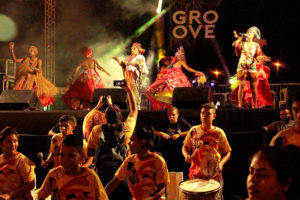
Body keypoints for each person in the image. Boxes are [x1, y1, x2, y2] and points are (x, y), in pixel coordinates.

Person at [87, 81, 137, 200]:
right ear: (120, 117)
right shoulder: (127, 128)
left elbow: (89, 153)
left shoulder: (97, 130)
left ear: (105, 117)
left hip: (102, 175)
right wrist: (128, 90)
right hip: (121, 175)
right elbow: (134, 110)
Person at [182, 103, 231, 199]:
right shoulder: (193, 130)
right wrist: (186, 155)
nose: (204, 116)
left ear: (214, 116)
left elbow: (227, 152)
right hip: (196, 176)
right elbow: (185, 147)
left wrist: (221, 164)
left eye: (208, 114)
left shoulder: (219, 132)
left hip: (214, 176)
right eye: (202, 113)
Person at [105, 126, 169, 200]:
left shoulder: (158, 161)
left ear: (142, 142)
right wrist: (101, 195)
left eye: (132, 140)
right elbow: (115, 182)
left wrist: (151, 198)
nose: (129, 143)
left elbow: (163, 188)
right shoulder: (129, 161)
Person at [37, 134, 108, 200]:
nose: (65, 159)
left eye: (71, 155)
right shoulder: (53, 174)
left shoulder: (91, 176)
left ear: (81, 157)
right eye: (62, 154)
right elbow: (40, 196)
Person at [8, 42, 58, 107]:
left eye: (31, 51)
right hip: (25, 78)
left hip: (35, 79)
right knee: (21, 91)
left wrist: (33, 68)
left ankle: (35, 106)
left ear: (35, 52)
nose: (30, 52)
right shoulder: (26, 59)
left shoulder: (38, 61)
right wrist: (11, 50)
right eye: (29, 51)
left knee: (37, 93)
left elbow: (39, 70)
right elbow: (15, 60)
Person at [232, 26, 269, 108]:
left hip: (251, 66)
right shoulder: (242, 42)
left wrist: (261, 58)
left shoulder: (256, 45)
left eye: (251, 32)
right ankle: (240, 105)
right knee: (241, 85)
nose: (249, 33)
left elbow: (257, 56)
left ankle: (255, 105)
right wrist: (241, 38)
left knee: (253, 86)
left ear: (254, 35)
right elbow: (234, 44)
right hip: (242, 66)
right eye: (248, 32)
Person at [153, 106, 192, 178]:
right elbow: (154, 131)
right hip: (167, 152)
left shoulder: (182, 122)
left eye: (173, 115)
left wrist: (179, 135)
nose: (171, 117)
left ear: (177, 115)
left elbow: (191, 130)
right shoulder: (165, 122)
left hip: (180, 151)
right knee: (169, 172)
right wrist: (162, 134)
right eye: (169, 115)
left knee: (181, 172)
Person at [0, 126, 35, 200]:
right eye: (9, 141)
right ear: (1, 143)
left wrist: (10, 195)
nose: (13, 144)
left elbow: (31, 184)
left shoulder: (23, 161)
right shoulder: (0, 158)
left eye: (15, 141)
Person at [113, 42, 148, 109]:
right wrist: (118, 61)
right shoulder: (129, 57)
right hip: (127, 77)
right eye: (132, 48)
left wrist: (129, 63)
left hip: (134, 77)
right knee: (127, 93)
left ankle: (136, 109)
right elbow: (123, 65)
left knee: (135, 94)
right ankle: (129, 109)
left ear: (138, 50)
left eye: (134, 48)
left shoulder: (140, 57)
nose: (132, 49)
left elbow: (138, 65)